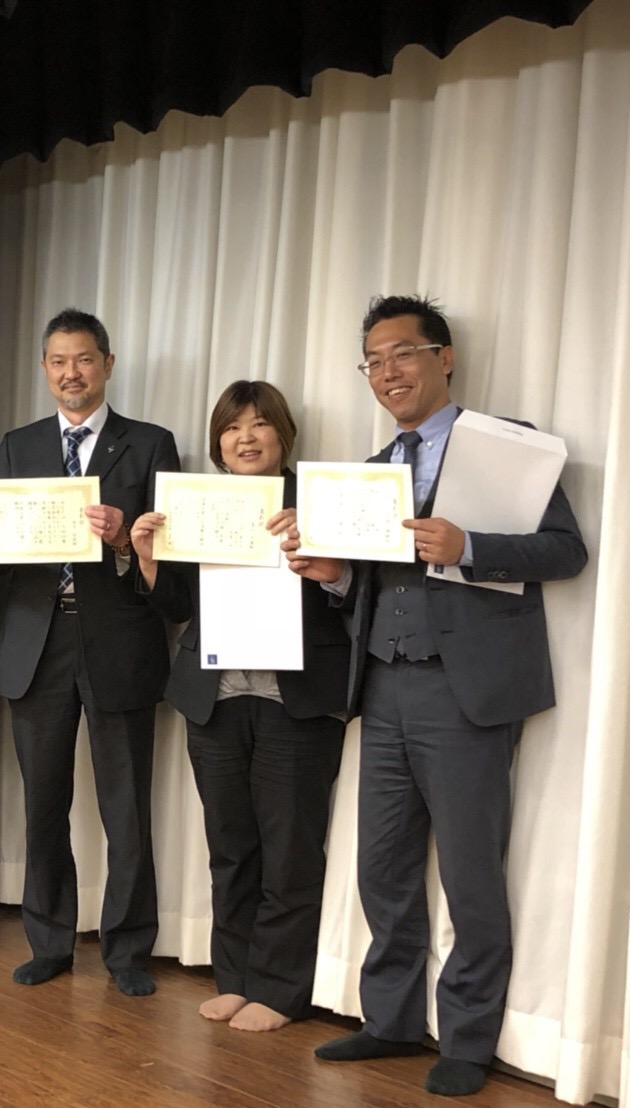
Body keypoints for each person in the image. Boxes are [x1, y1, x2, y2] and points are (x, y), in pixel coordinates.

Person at [286, 296, 586, 1097]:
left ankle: (468, 1037)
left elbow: (567, 551)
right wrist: (333, 576)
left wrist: (469, 546)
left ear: (443, 357)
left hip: (465, 693)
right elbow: (366, 586)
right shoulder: (370, 469)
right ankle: (388, 1021)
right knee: (381, 867)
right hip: (383, 685)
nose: (388, 372)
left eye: (403, 354)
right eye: (374, 361)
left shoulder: (506, 447)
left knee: (470, 873)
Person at [0, 307, 180, 995]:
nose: (71, 373)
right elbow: (1, 561)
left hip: (118, 639)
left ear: (107, 365)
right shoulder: (17, 445)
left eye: (84, 359)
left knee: (126, 807)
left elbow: (172, 561)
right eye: (58, 361)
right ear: (44, 369)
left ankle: (128, 951)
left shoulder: (150, 444)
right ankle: (49, 941)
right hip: (37, 641)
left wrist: (123, 540)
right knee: (43, 803)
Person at [131, 381, 347, 1031]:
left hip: (295, 701)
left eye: (258, 424)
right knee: (230, 847)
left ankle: (279, 991)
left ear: (284, 434)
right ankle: (235, 978)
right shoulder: (198, 505)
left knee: (291, 851)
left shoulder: (318, 505)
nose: (245, 438)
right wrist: (148, 559)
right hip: (215, 699)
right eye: (231, 428)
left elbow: (350, 594)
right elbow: (177, 605)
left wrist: (324, 559)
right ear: (217, 443)